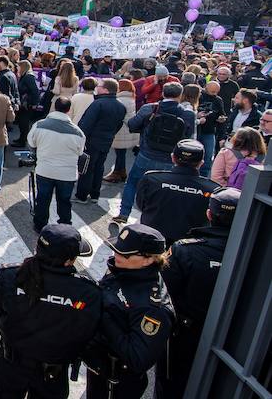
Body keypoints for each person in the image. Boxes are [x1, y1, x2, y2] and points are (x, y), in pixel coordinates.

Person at [0, 224, 102, 398]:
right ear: (69, 261)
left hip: (11, 363)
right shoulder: (88, 293)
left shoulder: (9, 276)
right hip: (52, 373)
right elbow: (86, 333)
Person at [158, 188, 239, 399]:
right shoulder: (254, 252)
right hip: (236, 337)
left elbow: (163, 293)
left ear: (209, 214)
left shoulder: (185, 249)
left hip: (186, 335)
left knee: (172, 386)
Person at [84, 224, 174, 399]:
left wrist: (103, 318)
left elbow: (137, 358)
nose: (116, 255)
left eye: (125, 254)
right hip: (98, 367)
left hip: (116, 381)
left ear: (148, 259)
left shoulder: (153, 309)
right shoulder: (123, 270)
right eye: (117, 249)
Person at [117, 82, 194, 224]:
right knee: (162, 189)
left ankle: (124, 212)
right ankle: (153, 219)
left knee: (133, 182)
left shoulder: (150, 108)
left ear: (163, 93)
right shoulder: (187, 114)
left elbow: (132, 125)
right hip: (170, 157)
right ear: (180, 95)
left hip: (147, 153)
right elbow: (188, 136)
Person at [136, 139, 220, 247]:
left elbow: (141, 205)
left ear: (173, 158)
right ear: (201, 163)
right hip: (188, 248)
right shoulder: (213, 189)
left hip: (150, 242)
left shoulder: (151, 179)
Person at [27, 97, 85, 231]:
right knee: (64, 201)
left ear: (54, 107)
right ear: (69, 110)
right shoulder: (78, 132)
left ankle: (40, 225)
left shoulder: (39, 125)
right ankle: (65, 227)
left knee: (43, 198)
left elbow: (31, 142)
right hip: (67, 173)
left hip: (45, 169)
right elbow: (80, 152)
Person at [74, 78, 126, 205]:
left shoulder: (98, 104)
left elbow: (86, 124)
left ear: (106, 90)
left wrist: (81, 139)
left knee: (87, 168)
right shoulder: (120, 106)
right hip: (107, 140)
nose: (97, 87)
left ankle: (82, 195)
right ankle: (95, 194)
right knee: (99, 167)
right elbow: (119, 125)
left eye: (100, 86)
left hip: (92, 140)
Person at [104, 78, 139, 183]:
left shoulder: (120, 100)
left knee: (119, 152)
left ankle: (117, 173)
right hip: (127, 129)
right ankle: (121, 172)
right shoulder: (131, 98)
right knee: (121, 152)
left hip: (121, 130)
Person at [195, 81, 225, 177]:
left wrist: (221, 118)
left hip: (209, 131)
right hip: (196, 129)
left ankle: (203, 176)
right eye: (212, 91)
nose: (214, 94)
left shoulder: (218, 100)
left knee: (208, 156)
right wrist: (197, 116)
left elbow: (221, 113)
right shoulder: (199, 96)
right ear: (206, 88)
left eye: (216, 92)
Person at [12, 59, 40, 148]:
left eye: (18, 67)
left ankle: (23, 141)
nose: (17, 68)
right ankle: (21, 139)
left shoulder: (28, 77)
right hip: (25, 104)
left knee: (24, 123)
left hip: (27, 104)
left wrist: (35, 103)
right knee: (22, 122)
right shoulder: (25, 76)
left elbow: (35, 91)